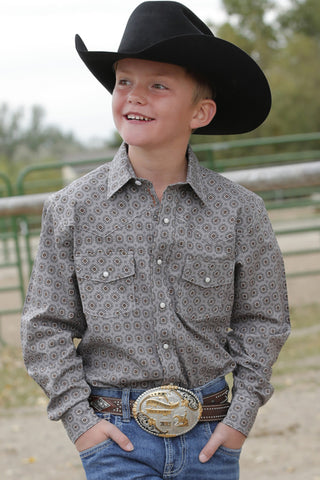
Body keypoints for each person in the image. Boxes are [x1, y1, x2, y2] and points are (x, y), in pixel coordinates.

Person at [21, 2, 290, 479]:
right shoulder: (72, 209)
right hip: (115, 435)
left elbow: (263, 318)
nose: (134, 96)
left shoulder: (240, 211)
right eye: (124, 81)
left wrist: (241, 416)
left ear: (200, 112)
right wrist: (83, 424)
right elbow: (45, 327)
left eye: (158, 85)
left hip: (211, 435)